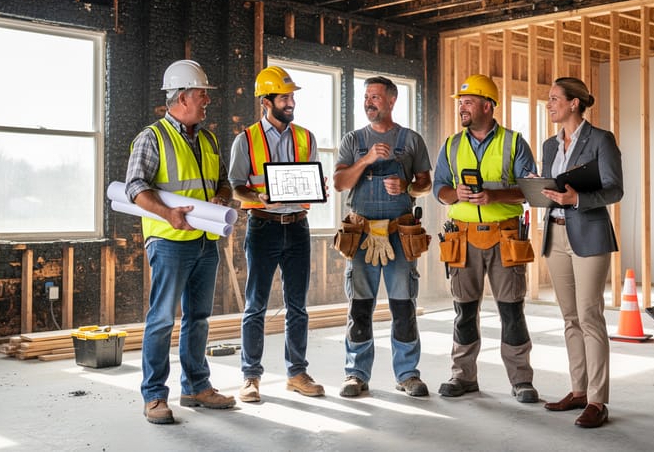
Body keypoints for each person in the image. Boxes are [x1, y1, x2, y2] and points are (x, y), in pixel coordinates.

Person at [125, 59, 237, 425]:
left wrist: (221, 197)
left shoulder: (207, 139)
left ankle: (196, 386)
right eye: (202, 94)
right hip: (170, 240)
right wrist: (166, 213)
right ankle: (154, 395)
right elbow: (135, 188)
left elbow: (223, 182)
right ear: (183, 96)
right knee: (161, 319)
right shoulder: (152, 137)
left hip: (206, 241)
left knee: (199, 318)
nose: (207, 100)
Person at [432, 74, 539, 404]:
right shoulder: (451, 144)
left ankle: (521, 380)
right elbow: (439, 189)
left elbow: (530, 189)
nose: (461, 108)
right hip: (462, 237)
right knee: (464, 311)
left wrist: (495, 197)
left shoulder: (514, 142)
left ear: (488, 106)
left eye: (468, 102)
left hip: (505, 236)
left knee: (511, 311)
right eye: (460, 103)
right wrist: (456, 194)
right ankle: (463, 376)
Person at [228, 65, 325, 403]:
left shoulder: (306, 138)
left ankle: (297, 373)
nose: (290, 102)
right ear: (265, 102)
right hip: (263, 227)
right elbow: (236, 187)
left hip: (298, 227)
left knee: (298, 306)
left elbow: (310, 178)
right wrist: (259, 197)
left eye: (292, 96)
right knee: (255, 305)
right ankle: (250, 376)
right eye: (284, 97)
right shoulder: (246, 140)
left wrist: (318, 187)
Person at [333, 76, 433, 397]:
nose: (369, 102)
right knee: (360, 307)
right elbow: (339, 183)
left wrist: (407, 187)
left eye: (375, 97)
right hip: (361, 236)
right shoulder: (353, 140)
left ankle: (408, 374)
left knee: (403, 306)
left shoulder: (411, 140)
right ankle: (356, 374)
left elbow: (425, 184)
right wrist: (366, 159)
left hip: (399, 235)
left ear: (391, 100)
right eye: (366, 97)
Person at [538, 77, 623, 428]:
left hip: (589, 233)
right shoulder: (549, 145)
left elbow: (615, 190)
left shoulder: (601, 140)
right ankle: (578, 391)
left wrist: (578, 199)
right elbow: (550, 187)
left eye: (554, 98)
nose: (549, 104)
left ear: (574, 103)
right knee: (569, 317)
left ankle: (597, 400)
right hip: (555, 233)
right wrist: (539, 189)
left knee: (589, 315)